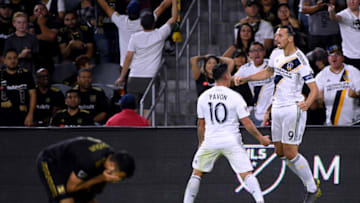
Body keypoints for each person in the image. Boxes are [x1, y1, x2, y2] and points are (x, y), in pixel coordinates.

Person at [234, 25, 321, 202]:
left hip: (292, 109)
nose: (276, 38)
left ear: (290, 38)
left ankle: (312, 188)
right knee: (280, 152)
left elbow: (314, 89)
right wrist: (246, 78)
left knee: (291, 153)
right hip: (277, 108)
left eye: (280, 35)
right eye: (276, 35)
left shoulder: (300, 60)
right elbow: (268, 72)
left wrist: (308, 102)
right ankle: (310, 180)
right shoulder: (275, 54)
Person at [183, 63, 271, 203]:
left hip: (211, 140)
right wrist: (261, 138)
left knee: (197, 173)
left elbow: (201, 125)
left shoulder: (204, 97)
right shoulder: (234, 96)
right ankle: (260, 201)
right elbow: (247, 123)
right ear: (226, 76)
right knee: (246, 174)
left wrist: (201, 143)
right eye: (230, 74)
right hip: (231, 140)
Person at [115, 0, 177, 119]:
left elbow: (128, 57)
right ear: (154, 24)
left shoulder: (135, 37)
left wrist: (122, 77)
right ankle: (146, 136)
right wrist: (174, 2)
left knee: (133, 112)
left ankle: (133, 136)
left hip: (133, 78)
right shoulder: (160, 34)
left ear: (141, 25)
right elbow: (173, 18)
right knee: (148, 112)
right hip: (150, 78)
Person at [36, 136, 135, 203]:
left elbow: (95, 191)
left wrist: (101, 181)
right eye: (119, 178)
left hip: (72, 168)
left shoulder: (108, 158)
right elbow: (71, 188)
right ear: (112, 166)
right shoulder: (90, 161)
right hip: (51, 162)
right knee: (66, 200)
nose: (117, 181)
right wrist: (102, 178)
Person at [96, 0, 172, 67]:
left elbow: (105, 7)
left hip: (125, 66)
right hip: (142, 65)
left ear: (127, 11)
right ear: (140, 12)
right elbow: (162, 6)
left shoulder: (121, 21)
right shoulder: (146, 21)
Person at [315, 44, 360, 125]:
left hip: (354, 124)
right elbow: (315, 100)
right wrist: (318, 98)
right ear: (328, 58)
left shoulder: (353, 71)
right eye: (331, 55)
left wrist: (356, 94)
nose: (334, 58)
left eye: (337, 55)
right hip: (332, 126)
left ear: (342, 57)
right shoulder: (322, 75)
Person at [234, 42, 274, 126]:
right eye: (253, 51)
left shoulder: (271, 64)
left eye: (259, 50)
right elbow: (233, 80)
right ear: (249, 54)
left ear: (264, 52)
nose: (257, 53)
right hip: (256, 114)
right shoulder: (245, 68)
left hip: (273, 113)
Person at [0, 49, 36, 126]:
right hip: (3, 117)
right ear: (4, 60)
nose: (12, 61)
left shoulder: (26, 74)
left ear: (18, 59)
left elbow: (33, 95)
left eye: (15, 58)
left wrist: (30, 114)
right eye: (9, 58)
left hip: (22, 116)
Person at [328, 0, 360, 69]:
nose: (352, 2)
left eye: (354, 0)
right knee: (349, 78)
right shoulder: (343, 14)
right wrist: (331, 12)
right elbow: (334, 18)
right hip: (349, 56)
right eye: (349, 0)